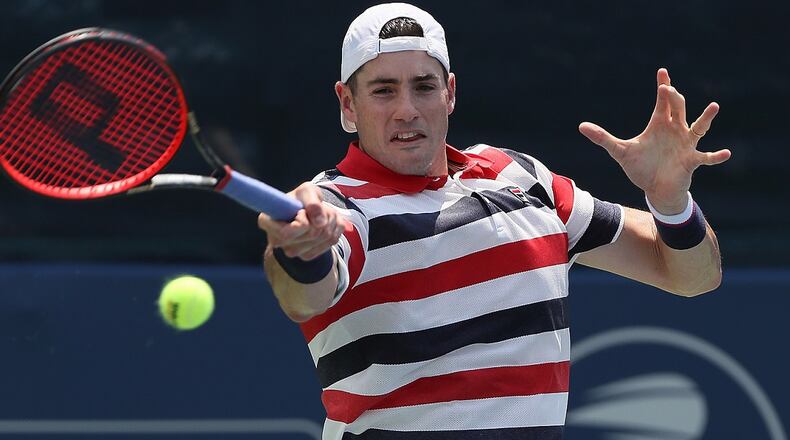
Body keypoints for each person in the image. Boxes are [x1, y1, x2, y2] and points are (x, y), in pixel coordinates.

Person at [257, 3, 731, 439]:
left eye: (424, 86)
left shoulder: (522, 177)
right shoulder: (337, 205)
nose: (407, 109)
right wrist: (300, 249)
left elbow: (692, 278)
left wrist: (671, 203)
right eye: (384, 90)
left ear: (451, 94)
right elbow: (305, 295)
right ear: (347, 104)